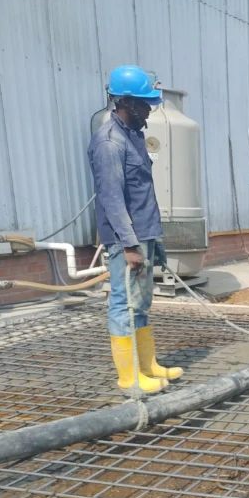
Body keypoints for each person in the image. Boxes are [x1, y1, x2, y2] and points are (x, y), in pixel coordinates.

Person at [89, 64, 181, 393]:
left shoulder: (134, 135)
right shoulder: (110, 143)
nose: (149, 109)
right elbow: (113, 199)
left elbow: (143, 193)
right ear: (126, 102)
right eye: (145, 103)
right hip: (126, 239)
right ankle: (129, 378)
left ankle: (148, 366)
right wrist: (129, 245)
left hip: (144, 232)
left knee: (141, 303)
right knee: (123, 303)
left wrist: (154, 240)